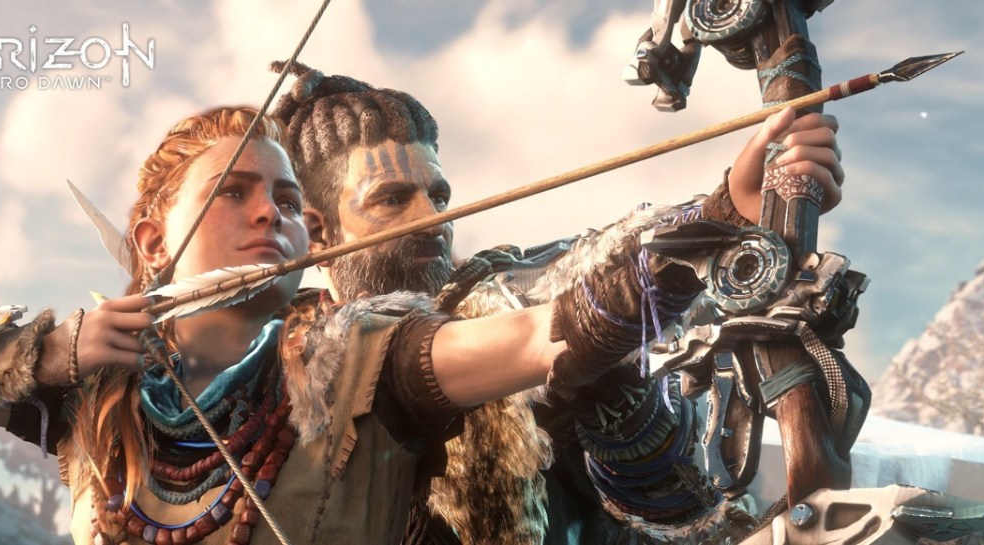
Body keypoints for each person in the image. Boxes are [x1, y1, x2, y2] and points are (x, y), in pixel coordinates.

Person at [0, 105, 715, 545]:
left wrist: (714, 224)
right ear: (153, 243)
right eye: (233, 192)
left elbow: (542, 336)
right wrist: (44, 350)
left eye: (290, 199)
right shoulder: (92, 391)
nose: (272, 213)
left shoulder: (366, 362)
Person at [266, 62, 844, 544]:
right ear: (318, 234)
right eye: (393, 199)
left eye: (438, 196)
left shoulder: (490, 299)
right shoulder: (280, 367)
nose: (434, 220)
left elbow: (580, 280)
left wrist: (723, 213)